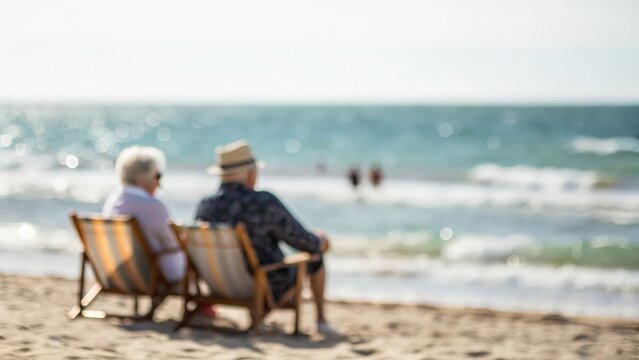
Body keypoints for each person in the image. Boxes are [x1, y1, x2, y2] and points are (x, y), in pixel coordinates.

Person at [195, 140, 337, 335]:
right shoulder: (263, 202)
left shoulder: (206, 206)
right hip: (266, 284)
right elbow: (303, 241)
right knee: (316, 256)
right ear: (251, 173)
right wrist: (321, 242)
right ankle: (320, 320)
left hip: (220, 286)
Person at [102, 146, 186, 285]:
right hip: (150, 274)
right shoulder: (152, 206)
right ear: (141, 179)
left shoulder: (113, 201)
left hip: (119, 271)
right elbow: (172, 243)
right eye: (157, 176)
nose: (160, 184)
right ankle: (203, 305)